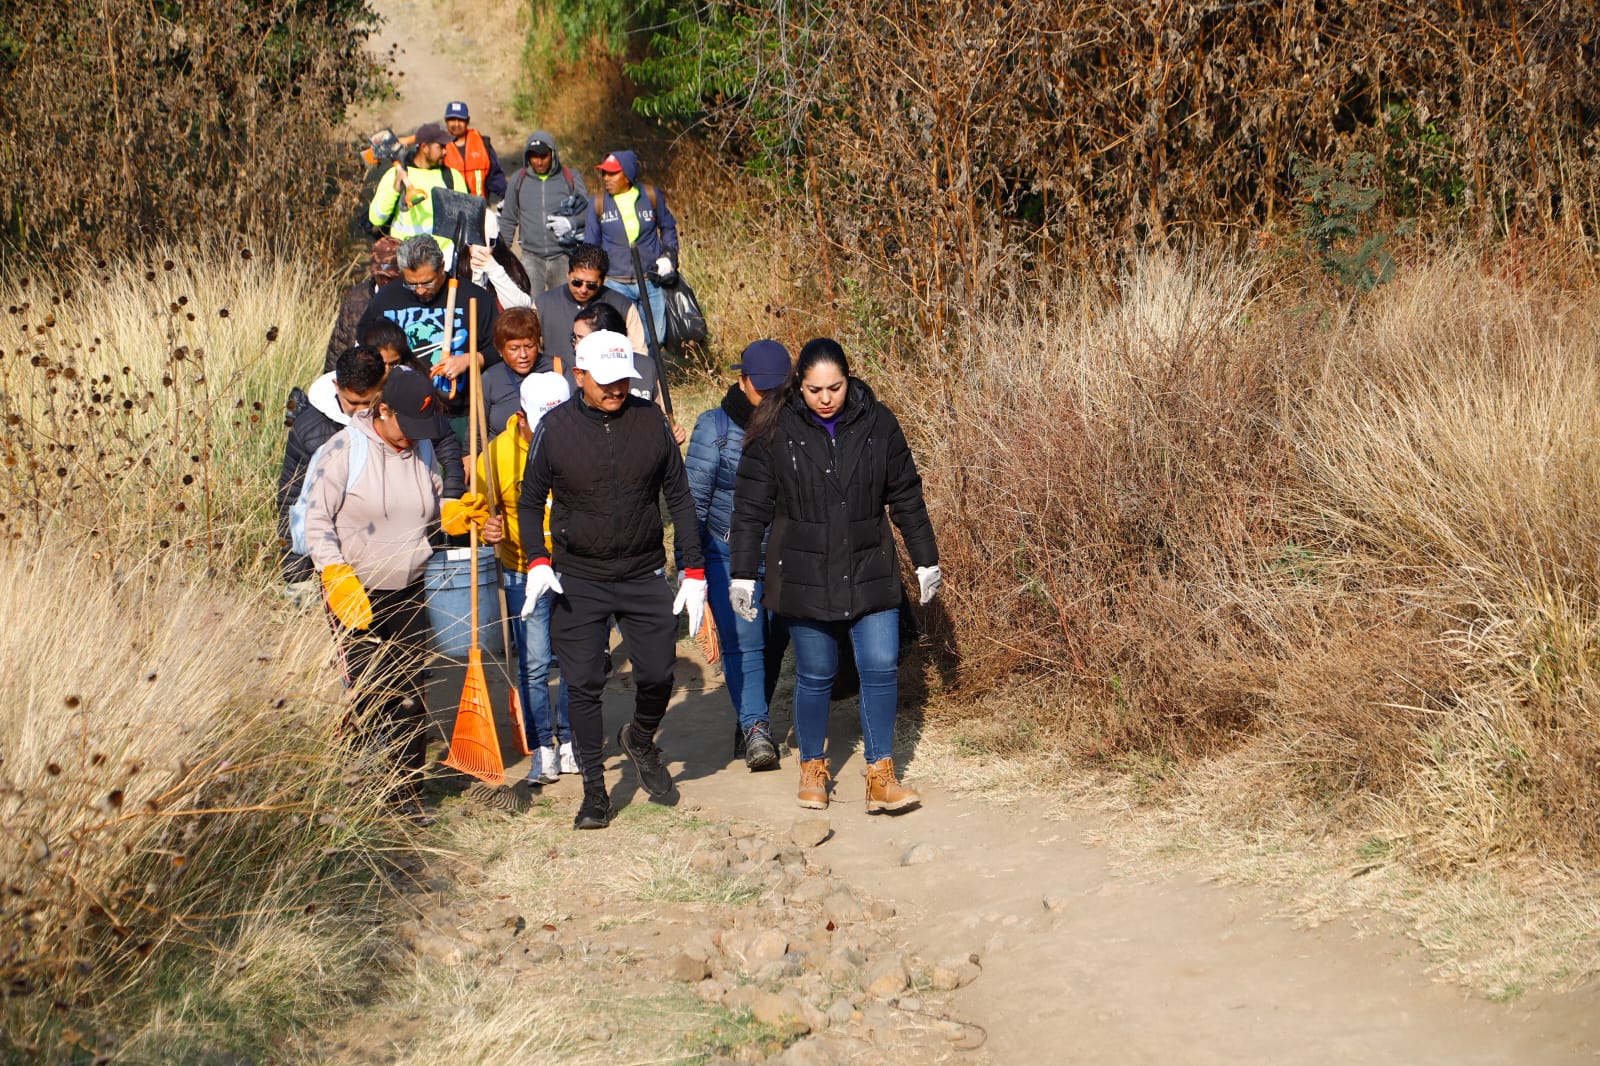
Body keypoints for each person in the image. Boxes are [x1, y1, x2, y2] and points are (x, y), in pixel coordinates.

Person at [729, 338, 942, 813]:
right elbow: (749, 510)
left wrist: (926, 558)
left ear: (849, 379)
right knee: (817, 672)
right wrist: (742, 573)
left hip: (870, 564)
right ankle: (813, 769)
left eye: (835, 387)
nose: (825, 398)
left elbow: (905, 495)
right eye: (814, 389)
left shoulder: (878, 424)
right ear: (797, 386)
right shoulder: (774, 429)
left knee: (881, 665)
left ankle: (881, 776)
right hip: (804, 571)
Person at [517, 330, 706, 830]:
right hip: (579, 574)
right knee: (582, 683)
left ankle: (640, 738)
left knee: (659, 673)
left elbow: (681, 497)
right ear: (579, 376)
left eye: (623, 379)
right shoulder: (555, 429)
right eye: (605, 381)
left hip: (643, 568)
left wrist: (694, 569)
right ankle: (595, 793)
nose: (616, 389)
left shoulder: (650, 422)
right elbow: (530, 500)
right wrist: (537, 559)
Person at [302, 369, 489, 815]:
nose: (416, 438)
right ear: (382, 410)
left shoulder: (420, 446)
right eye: (408, 427)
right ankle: (358, 791)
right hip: (355, 592)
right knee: (369, 694)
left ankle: (404, 795)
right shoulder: (344, 451)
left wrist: (455, 513)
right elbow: (315, 521)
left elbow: (429, 501)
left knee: (409, 693)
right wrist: (335, 573)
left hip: (408, 587)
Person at [686, 340, 793, 770]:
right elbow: (692, 498)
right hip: (725, 552)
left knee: (774, 643)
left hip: (783, 554)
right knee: (743, 641)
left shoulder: (799, 423)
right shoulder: (714, 427)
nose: (766, 397)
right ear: (741, 380)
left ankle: (751, 717)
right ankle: (756, 729)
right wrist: (689, 566)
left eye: (776, 389)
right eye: (759, 388)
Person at [279, 346, 466, 585]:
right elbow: (297, 501)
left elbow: (433, 487)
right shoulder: (320, 435)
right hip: (350, 579)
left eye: (367, 402)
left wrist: (451, 507)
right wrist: (301, 570)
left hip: (413, 580)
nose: (361, 411)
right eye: (353, 402)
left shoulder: (415, 432)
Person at [481, 371, 575, 784]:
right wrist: (487, 526)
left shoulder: (580, 437)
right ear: (521, 416)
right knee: (535, 663)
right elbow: (480, 511)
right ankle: (541, 747)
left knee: (578, 659)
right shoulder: (497, 454)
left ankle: (572, 740)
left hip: (577, 566)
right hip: (523, 568)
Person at [356, 235, 499, 416]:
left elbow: (500, 348)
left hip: (459, 412)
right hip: (403, 412)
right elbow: (364, 338)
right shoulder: (387, 297)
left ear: (441, 267)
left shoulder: (474, 298)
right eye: (411, 284)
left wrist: (471, 359)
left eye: (427, 282)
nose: (420, 290)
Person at [583, 150, 678, 345]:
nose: (606, 178)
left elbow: (668, 227)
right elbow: (590, 245)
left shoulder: (651, 196)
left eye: (612, 173)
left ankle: (650, 373)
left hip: (651, 281)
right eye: (604, 173)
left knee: (656, 338)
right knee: (622, 339)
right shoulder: (598, 202)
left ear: (627, 175)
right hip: (615, 284)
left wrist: (669, 256)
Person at [499, 131, 590, 293]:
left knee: (564, 308)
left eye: (544, 156)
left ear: (553, 155)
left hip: (563, 257)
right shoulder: (518, 180)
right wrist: (503, 256)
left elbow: (589, 213)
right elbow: (508, 219)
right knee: (532, 309)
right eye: (534, 156)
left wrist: (571, 222)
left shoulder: (570, 178)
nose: (539, 162)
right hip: (530, 258)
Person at [533, 243, 643, 374]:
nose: (583, 289)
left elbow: (639, 354)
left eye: (591, 285)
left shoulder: (622, 306)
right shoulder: (542, 304)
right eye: (577, 282)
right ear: (568, 274)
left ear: (602, 281)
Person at [367, 123, 463, 260]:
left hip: (442, 261)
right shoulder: (395, 175)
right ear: (424, 147)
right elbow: (376, 218)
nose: (445, 151)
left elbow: (466, 221)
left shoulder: (453, 177)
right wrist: (395, 190)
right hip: (403, 261)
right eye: (440, 147)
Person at [324, 237, 400, 373]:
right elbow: (338, 348)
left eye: (392, 277)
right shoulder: (354, 298)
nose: (385, 281)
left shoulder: (411, 300)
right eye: (381, 275)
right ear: (373, 271)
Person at [482, 307, 541, 434]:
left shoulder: (556, 369)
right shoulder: (489, 379)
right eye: (514, 349)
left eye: (529, 346)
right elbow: (476, 435)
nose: (523, 355)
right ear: (500, 349)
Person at [441, 100, 506, 201]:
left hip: (479, 209)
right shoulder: (439, 147)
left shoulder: (483, 144)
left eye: (461, 120)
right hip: (450, 211)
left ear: (468, 121)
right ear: (446, 121)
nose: (457, 124)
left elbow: (496, 178)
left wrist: (510, 198)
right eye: (452, 119)